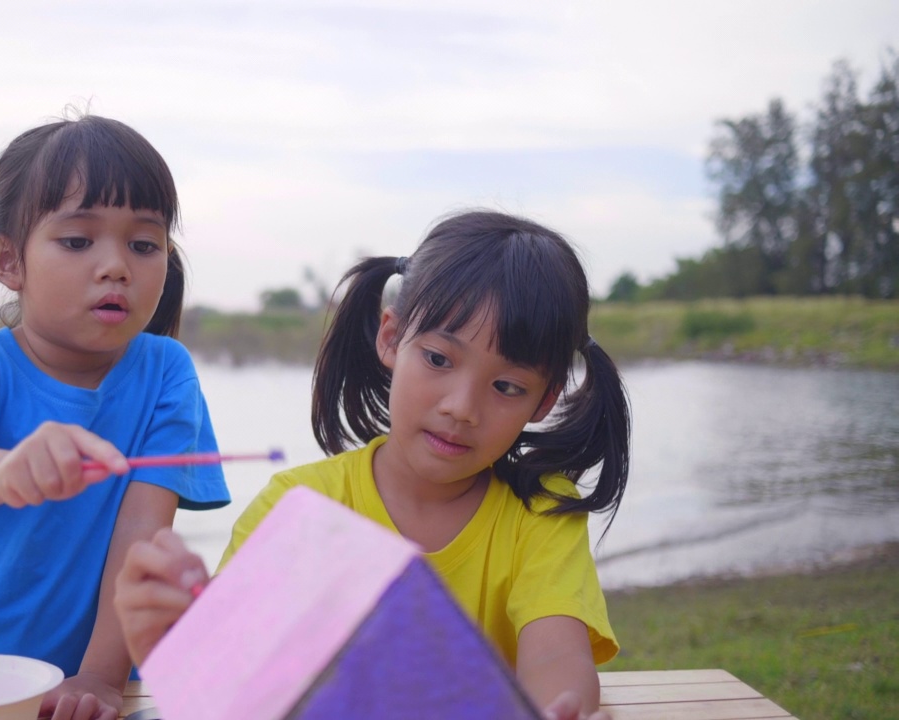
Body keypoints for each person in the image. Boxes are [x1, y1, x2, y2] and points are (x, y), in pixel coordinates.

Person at [114, 210, 631, 720]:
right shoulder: (301, 506)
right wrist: (168, 633)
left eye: (507, 387)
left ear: (543, 402)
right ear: (391, 337)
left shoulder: (540, 512)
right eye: (438, 359)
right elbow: (231, 678)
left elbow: (557, 656)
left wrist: (554, 710)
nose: (461, 407)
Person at [0, 114, 230, 720]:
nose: (116, 265)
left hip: (94, 687)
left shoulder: (166, 373)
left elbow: (143, 537)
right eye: (77, 241)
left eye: (143, 244)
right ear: (10, 261)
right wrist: (1, 472)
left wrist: (98, 675)